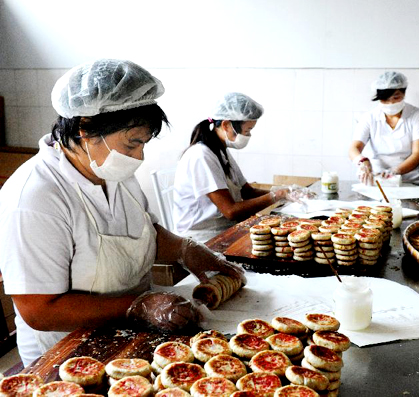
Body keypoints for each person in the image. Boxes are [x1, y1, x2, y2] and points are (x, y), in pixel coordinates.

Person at [0, 59, 244, 366]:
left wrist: (187, 249)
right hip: (68, 356)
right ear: (85, 128)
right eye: (131, 145)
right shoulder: (35, 197)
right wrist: (137, 306)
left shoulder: (114, 172)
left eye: (143, 144)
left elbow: (144, 232)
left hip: (132, 339)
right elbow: (39, 310)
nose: (138, 157)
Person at [173, 93, 310, 241]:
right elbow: (231, 211)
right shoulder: (201, 156)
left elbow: (247, 192)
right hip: (202, 238)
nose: (248, 135)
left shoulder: (220, 150)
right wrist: (276, 196)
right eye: (247, 131)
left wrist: (285, 193)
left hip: (224, 228)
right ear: (226, 125)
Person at [349, 71, 419, 185]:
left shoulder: (417, 115)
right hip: (378, 179)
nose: (391, 103)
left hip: (411, 180)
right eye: (385, 99)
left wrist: (396, 171)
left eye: (396, 97)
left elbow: (418, 154)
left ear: (404, 93)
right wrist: (362, 161)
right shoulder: (370, 117)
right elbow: (354, 148)